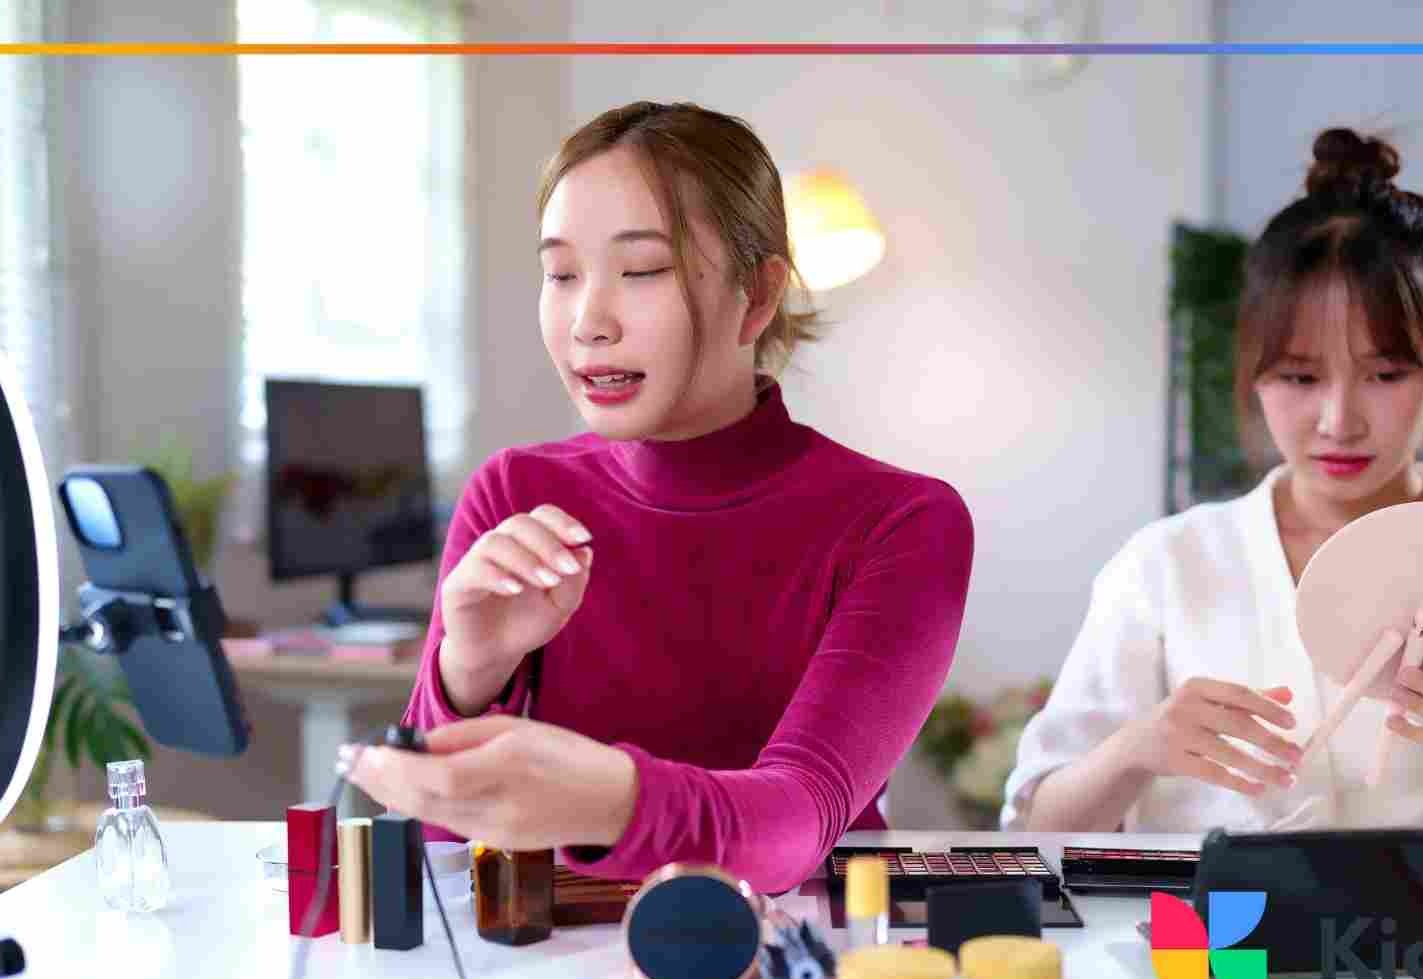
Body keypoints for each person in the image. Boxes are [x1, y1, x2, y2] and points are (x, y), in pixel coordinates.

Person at [343, 101, 974, 893]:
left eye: (641, 271)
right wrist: (470, 667)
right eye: (561, 274)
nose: (587, 321)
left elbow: (798, 821)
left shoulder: (902, 524)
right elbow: (443, 842)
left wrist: (608, 798)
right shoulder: (514, 491)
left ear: (757, 296)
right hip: (561, 975)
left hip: (801, 975)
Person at [1003, 128, 1423, 835]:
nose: (1339, 421)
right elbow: (1033, 833)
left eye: (1385, 374)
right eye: (1299, 376)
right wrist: (1137, 750)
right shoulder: (1167, 568)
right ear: (1253, 370)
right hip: (1199, 949)